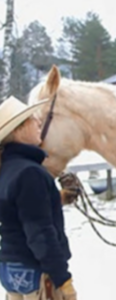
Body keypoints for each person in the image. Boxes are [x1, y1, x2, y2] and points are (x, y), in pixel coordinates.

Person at [0, 96, 77, 300]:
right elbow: (39, 231)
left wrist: (58, 198)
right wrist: (63, 279)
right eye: (33, 118)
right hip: (34, 269)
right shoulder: (30, 173)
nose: (38, 122)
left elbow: (20, 214)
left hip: (11, 266)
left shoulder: (7, 169)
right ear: (19, 129)